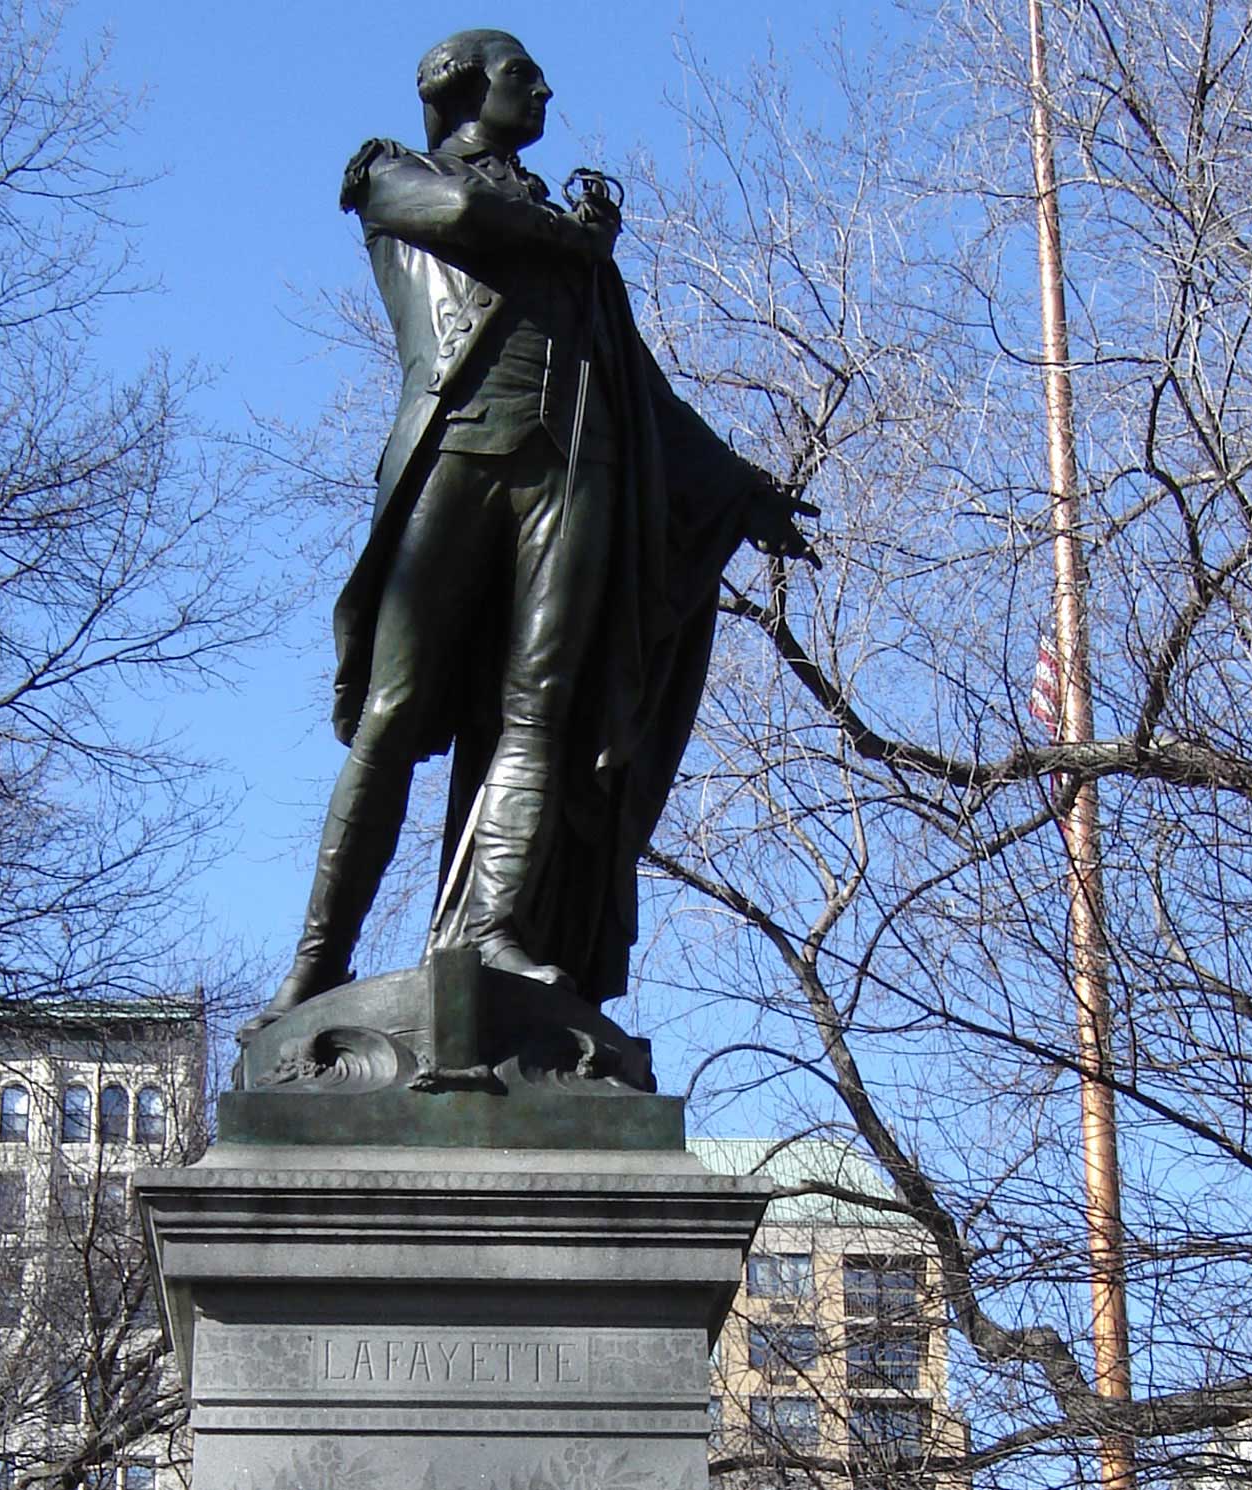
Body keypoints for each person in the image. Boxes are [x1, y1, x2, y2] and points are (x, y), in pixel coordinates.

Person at [251, 28, 816, 1033]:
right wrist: (580, 239)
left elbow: (641, 388)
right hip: (456, 452)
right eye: (522, 72)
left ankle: (488, 934)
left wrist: (740, 490)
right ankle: (312, 966)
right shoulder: (393, 173)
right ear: (460, 84)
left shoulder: (574, 247)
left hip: (577, 469)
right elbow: (464, 212)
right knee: (393, 706)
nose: (545, 86)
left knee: (539, 710)